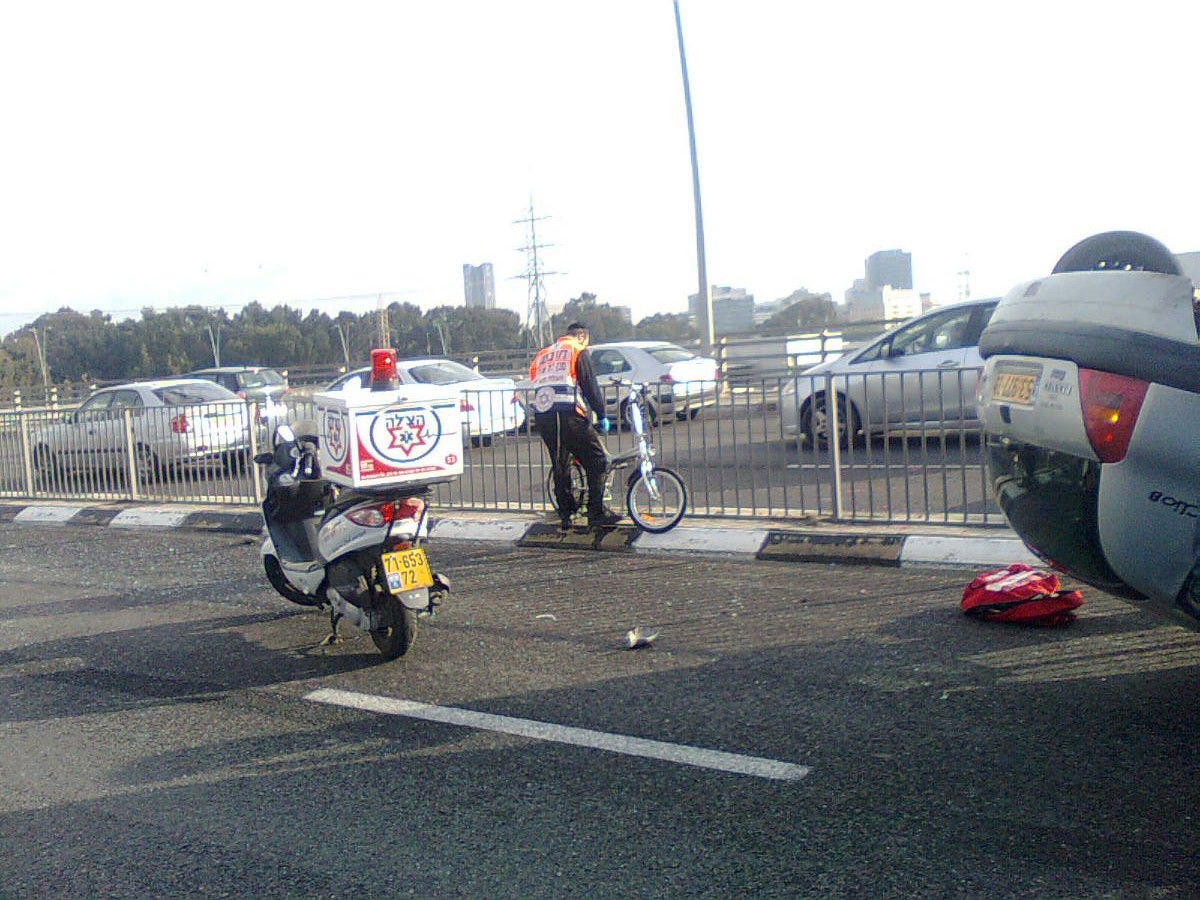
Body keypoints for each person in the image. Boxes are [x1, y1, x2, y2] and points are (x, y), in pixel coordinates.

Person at [529, 322, 622, 529]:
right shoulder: (578, 350)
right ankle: (596, 512)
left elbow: (535, 377)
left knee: (561, 462)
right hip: (567, 413)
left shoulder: (544, 353)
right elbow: (589, 384)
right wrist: (601, 413)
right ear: (582, 337)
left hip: (543, 414)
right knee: (597, 459)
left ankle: (566, 513)